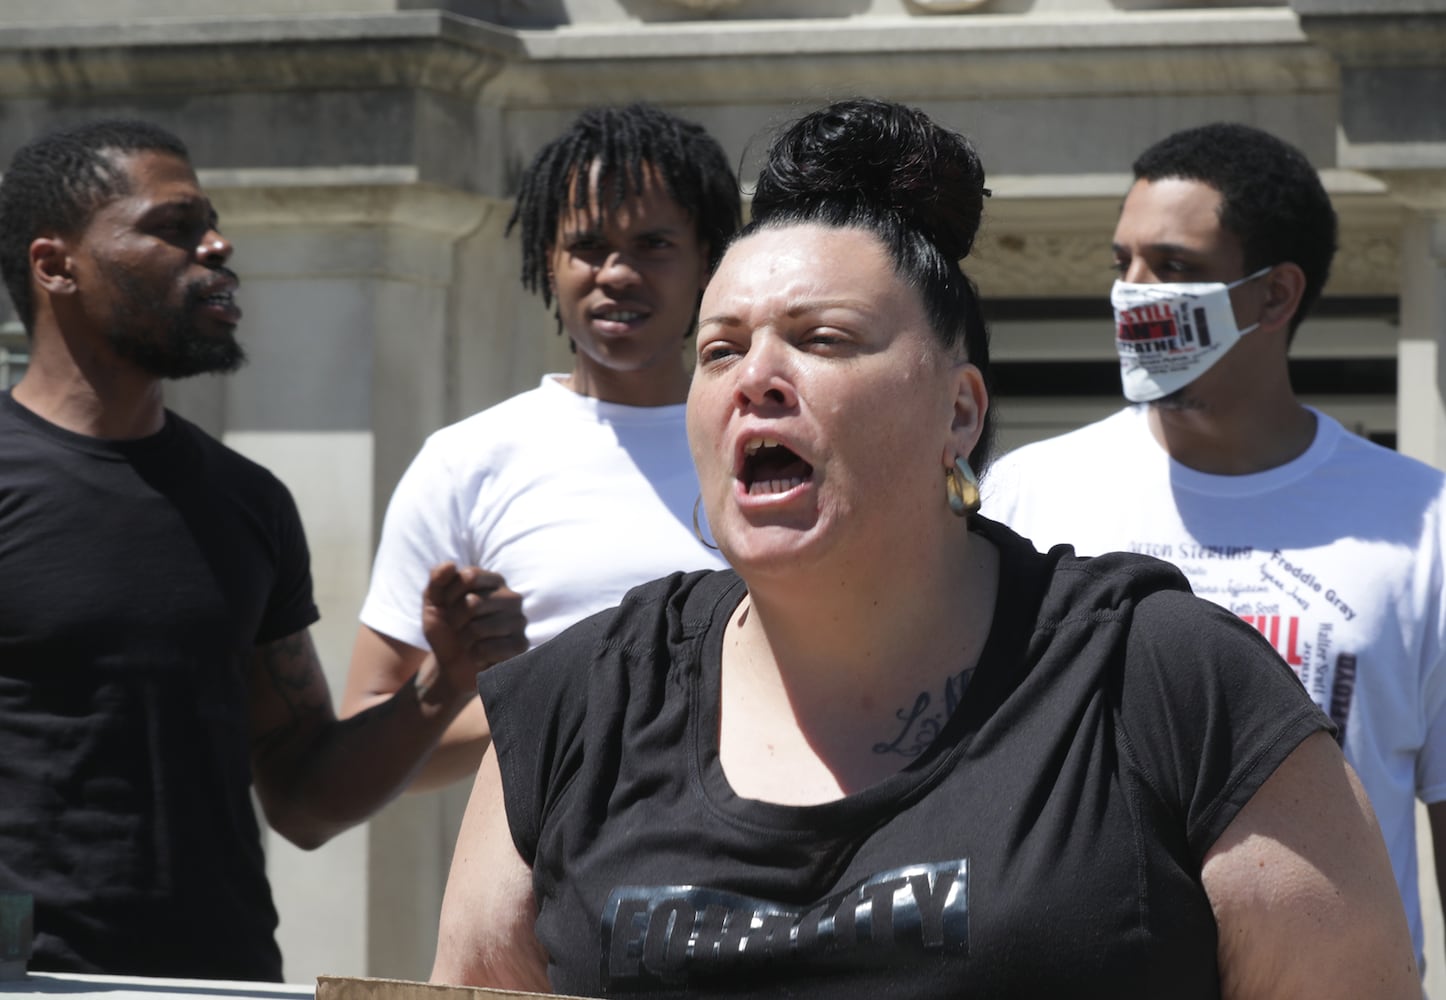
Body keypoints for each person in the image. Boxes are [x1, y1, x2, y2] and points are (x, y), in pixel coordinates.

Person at [428, 99, 1418, 997]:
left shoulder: (1171, 684)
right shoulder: (565, 710)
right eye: (720, 348)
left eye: (822, 338)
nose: (755, 378)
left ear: (960, 409)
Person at [0, 119, 502, 981]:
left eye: (212, 222)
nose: (218, 245)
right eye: (174, 226)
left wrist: (442, 683)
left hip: (220, 979)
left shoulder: (247, 502)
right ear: (56, 265)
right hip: (28, 981)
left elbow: (305, 799)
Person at [982, 121, 1446, 977]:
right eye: (1121, 263)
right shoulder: (1029, 494)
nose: (1133, 291)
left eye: (1175, 266)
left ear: (1274, 297)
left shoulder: (1422, 524)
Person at [340, 103, 739, 787]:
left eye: (654, 244)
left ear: (706, 259)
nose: (616, 272)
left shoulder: (765, 439)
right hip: (545, 883)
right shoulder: (467, 462)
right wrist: (563, 700)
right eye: (587, 246)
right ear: (547, 261)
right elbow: (364, 736)